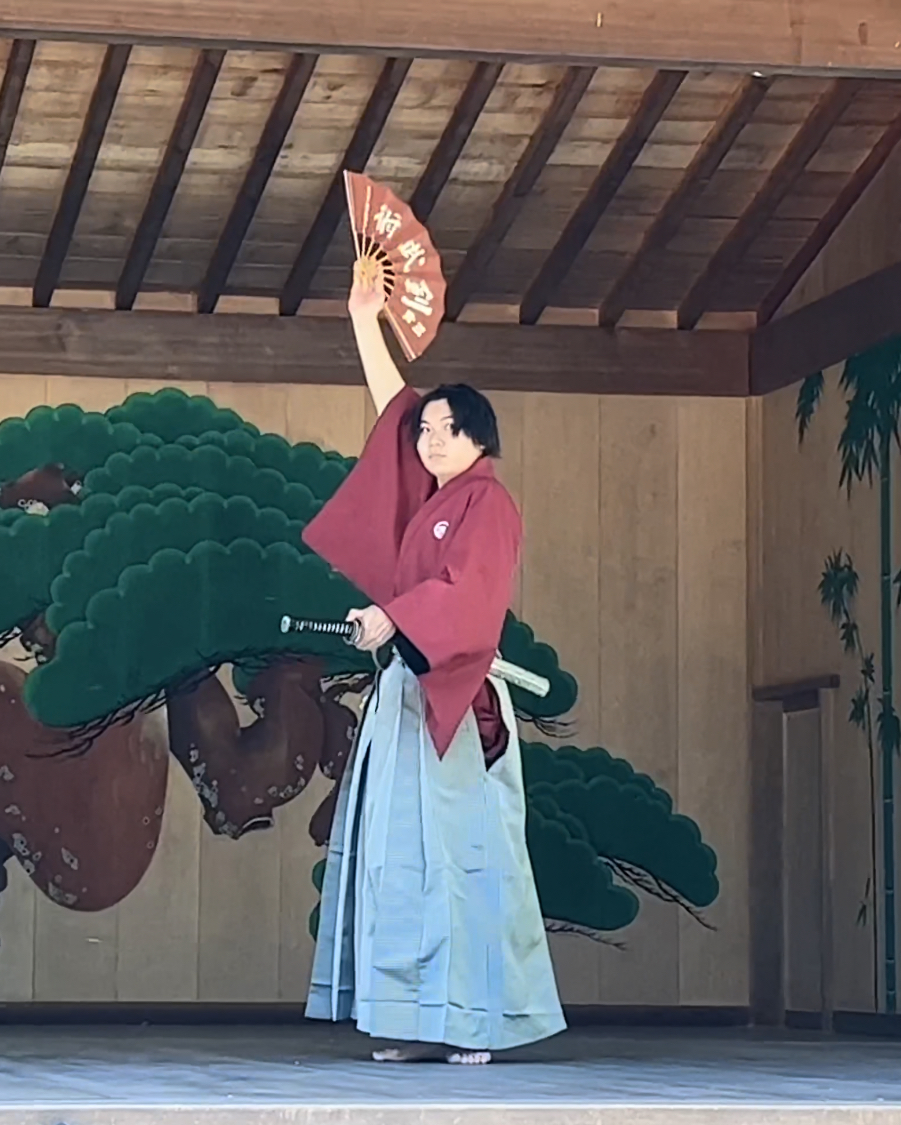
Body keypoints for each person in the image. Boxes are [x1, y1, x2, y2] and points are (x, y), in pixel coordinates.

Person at [302, 260, 565, 1065]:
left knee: (463, 862)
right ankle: (414, 1019)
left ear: (480, 437)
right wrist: (363, 319)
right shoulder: (432, 500)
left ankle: (475, 1021)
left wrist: (394, 614)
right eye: (427, 430)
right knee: (401, 862)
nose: (427, 437)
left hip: (457, 697)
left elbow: (469, 597)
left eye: (445, 427)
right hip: (407, 697)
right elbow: (395, 412)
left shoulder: (489, 504)